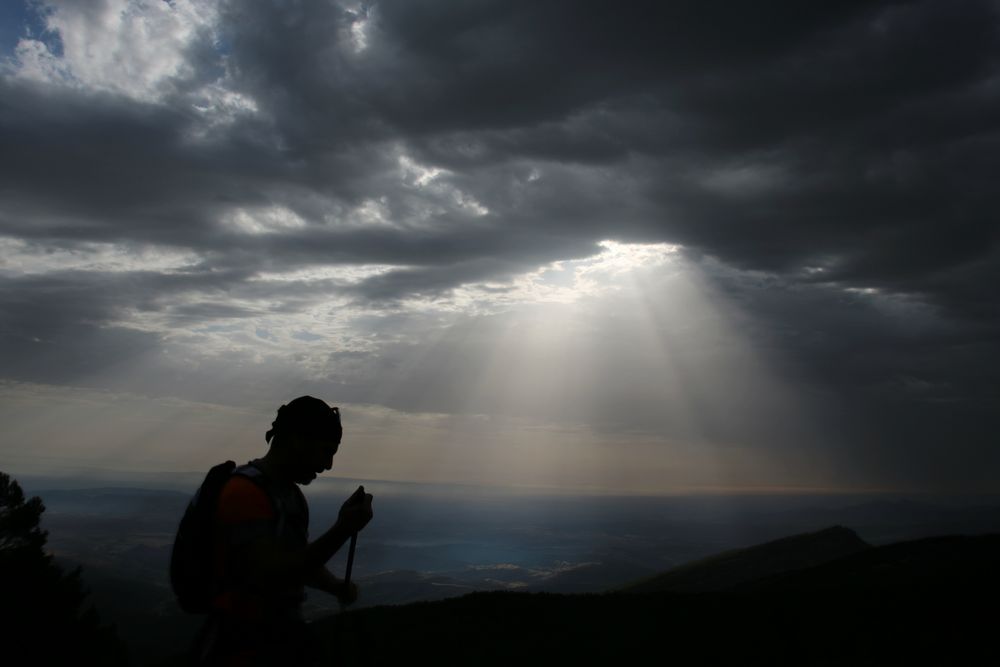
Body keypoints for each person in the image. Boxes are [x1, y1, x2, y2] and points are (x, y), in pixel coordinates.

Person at [194, 396, 374, 666]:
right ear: (298, 441)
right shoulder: (245, 494)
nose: (328, 465)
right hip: (242, 645)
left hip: (271, 639)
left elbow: (298, 560)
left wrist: (335, 586)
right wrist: (343, 529)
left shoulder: (289, 496)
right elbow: (273, 575)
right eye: (326, 451)